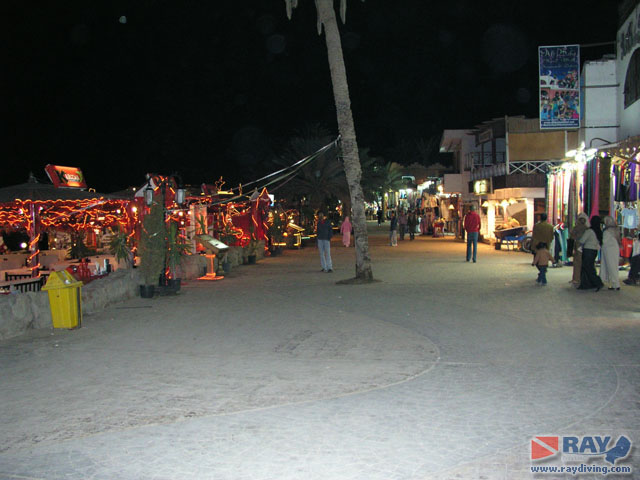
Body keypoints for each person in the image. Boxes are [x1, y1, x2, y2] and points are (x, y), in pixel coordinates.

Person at [577, 215, 603, 291]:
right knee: (590, 266)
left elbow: (582, 240)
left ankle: (597, 282)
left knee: (587, 267)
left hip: (588, 250)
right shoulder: (598, 231)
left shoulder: (590, 231)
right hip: (594, 251)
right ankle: (589, 283)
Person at [600, 215, 621, 290]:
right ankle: (613, 284)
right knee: (613, 266)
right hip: (615, 249)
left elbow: (604, 241)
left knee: (611, 266)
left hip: (608, 250)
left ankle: (615, 284)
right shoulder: (616, 230)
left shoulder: (607, 231)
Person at [569, 213, 589, 287]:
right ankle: (583, 278)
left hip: (578, 246)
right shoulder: (587, 228)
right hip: (585, 247)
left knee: (577, 263)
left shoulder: (577, 227)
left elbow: (572, 236)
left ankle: (576, 278)